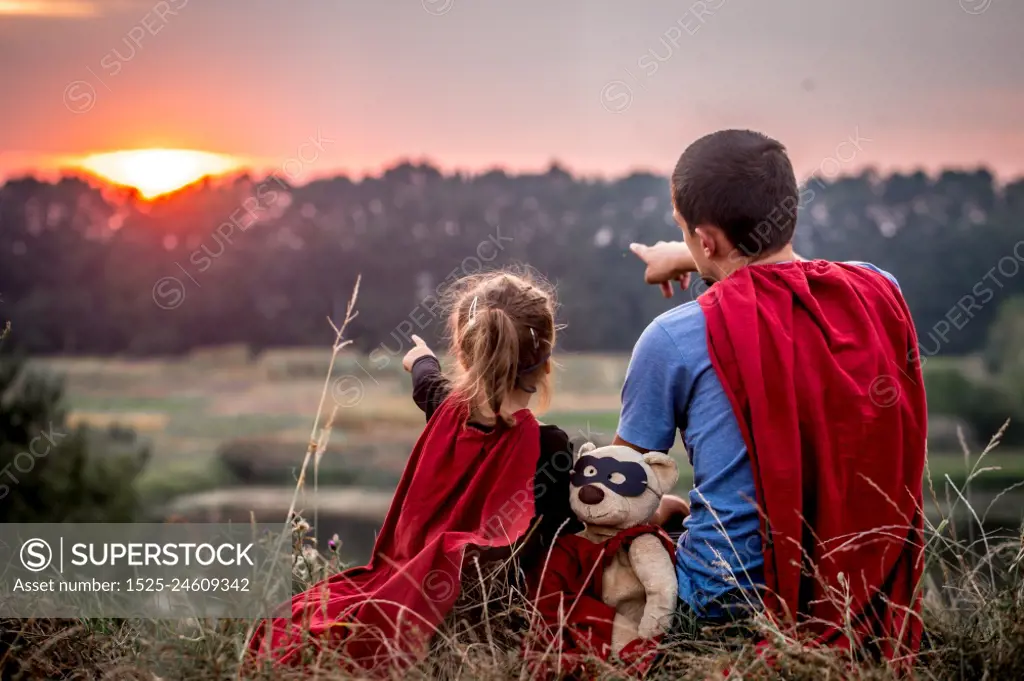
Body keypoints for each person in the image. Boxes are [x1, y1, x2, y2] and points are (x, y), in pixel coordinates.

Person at [617, 129, 927, 661]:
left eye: (687, 233)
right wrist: (692, 253)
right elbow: (782, 275)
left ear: (705, 238)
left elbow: (620, 492)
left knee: (592, 566)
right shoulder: (880, 292)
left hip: (725, 601)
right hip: (863, 596)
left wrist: (669, 507)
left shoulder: (672, 338)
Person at [249, 270, 582, 672]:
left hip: (411, 592)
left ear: (463, 353)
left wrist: (420, 358)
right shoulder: (551, 447)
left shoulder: (445, 410)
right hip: (496, 616)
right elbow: (562, 530)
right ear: (545, 366)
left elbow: (427, 382)